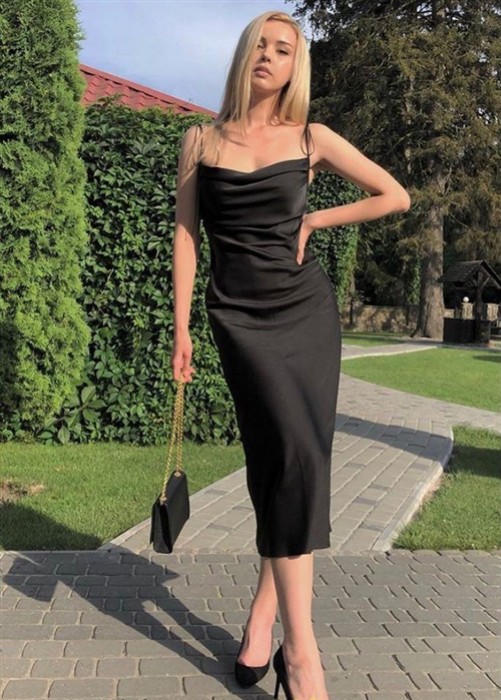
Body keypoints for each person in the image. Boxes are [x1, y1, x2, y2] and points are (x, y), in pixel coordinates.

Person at [171, 10, 410, 700]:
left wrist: (316, 218)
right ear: (245, 53)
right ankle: (299, 656)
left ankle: (273, 632)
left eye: (284, 49)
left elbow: (394, 196)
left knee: (296, 462)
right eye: (261, 45)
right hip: (238, 319)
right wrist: (182, 327)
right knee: (283, 460)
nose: (269, 56)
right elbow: (186, 234)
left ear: (293, 66)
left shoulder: (311, 137)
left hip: (305, 314)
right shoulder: (199, 141)